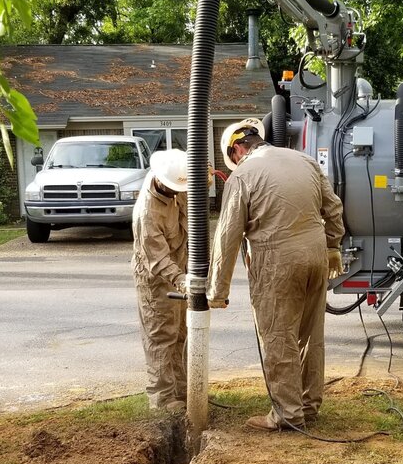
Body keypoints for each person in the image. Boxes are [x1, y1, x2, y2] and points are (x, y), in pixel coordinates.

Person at [206, 118, 345, 431]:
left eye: (233, 157)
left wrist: (218, 290)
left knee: (278, 336)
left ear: (238, 149)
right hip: (316, 256)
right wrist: (333, 245)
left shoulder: (242, 175)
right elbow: (333, 209)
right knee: (311, 335)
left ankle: (287, 415)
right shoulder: (304, 161)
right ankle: (308, 406)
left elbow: (227, 236)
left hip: (276, 262)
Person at [132, 149, 188, 411]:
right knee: (160, 335)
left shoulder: (178, 184)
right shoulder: (148, 212)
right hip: (156, 278)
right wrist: (181, 280)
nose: (175, 193)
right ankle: (162, 399)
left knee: (180, 334)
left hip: (181, 267)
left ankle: (182, 391)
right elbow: (157, 259)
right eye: (171, 188)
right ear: (158, 180)